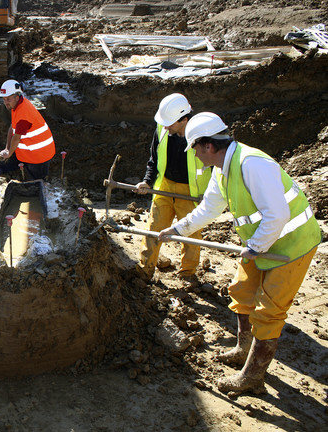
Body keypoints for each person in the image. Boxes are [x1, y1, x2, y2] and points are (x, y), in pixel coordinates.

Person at [158, 112, 321, 395]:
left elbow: (277, 214)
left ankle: (252, 377)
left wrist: (255, 247)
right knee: (242, 291)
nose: (194, 155)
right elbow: (209, 209)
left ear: (208, 146)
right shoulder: (222, 168)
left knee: (269, 312)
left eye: (195, 148)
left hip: (291, 246)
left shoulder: (252, 164)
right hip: (262, 244)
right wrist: (176, 230)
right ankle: (243, 347)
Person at [134, 93, 211, 279]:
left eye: (170, 123)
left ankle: (187, 274)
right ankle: (145, 269)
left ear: (184, 119)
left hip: (191, 192)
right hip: (164, 187)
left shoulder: (204, 135)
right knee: (154, 229)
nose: (165, 126)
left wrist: (210, 194)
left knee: (190, 235)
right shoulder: (162, 128)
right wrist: (147, 181)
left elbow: (217, 167)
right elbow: (154, 159)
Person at [0, 79, 56, 181]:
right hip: (30, 150)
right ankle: (2, 176)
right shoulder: (17, 105)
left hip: (39, 155)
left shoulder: (23, 113)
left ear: (16, 96)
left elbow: (16, 137)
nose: (5, 103)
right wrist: (7, 148)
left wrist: (9, 153)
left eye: (8, 99)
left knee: (35, 182)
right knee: (7, 163)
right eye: (4, 99)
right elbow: (12, 127)